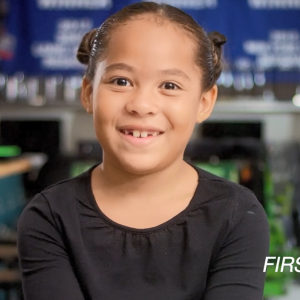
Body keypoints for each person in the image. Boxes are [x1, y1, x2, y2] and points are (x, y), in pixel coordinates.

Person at [17, 2, 269, 300]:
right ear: (88, 93)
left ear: (204, 102)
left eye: (170, 85)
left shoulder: (239, 215)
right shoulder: (49, 217)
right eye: (120, 81)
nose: (141, 104)